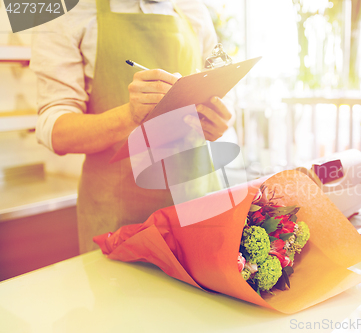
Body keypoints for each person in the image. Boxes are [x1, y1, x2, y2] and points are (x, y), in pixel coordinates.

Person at [30, 0, 232, 253]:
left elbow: (218, 90)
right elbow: (55, 132)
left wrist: (218, 120)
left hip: (198, 205)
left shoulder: (193, 9)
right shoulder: (61, 12)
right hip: (118, 218)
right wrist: (130, 115)